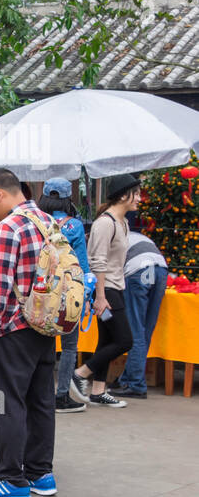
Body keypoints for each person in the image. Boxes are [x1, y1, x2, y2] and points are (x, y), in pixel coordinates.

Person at [0, 166, 58, 497]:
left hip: (13, 328)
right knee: (41, 401)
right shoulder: (48, 222)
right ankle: (40, 473)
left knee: (5, 402)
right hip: (46, 328)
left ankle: (10, 478)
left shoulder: (9, 226)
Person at [72, 174, 140, 407]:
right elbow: (97, 262)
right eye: (136, 194)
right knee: (124, 341)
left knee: (107, 340)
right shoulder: (105, 223)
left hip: (115, 287)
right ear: (123, 195)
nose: (139, 199)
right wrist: (99, 297)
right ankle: (80, 373)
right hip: (106, 289)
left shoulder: (123, 222)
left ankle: (98, 391)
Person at [36, 179, 91, 413]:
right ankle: (61, 397)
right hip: (68, 293)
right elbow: (82, 266)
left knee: (42, 342)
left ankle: (41, 394)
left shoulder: (37, 222)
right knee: (69, 346)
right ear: (69, 198)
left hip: (42, 291)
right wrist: (86, 295)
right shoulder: (74, 226)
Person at [115, 230, 168, 398]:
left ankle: (135, 383)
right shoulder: (135, 235)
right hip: (160, 269)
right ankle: (129, 377)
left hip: (138, 270)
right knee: (145, 331)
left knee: (136, 330)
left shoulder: (111, 235)